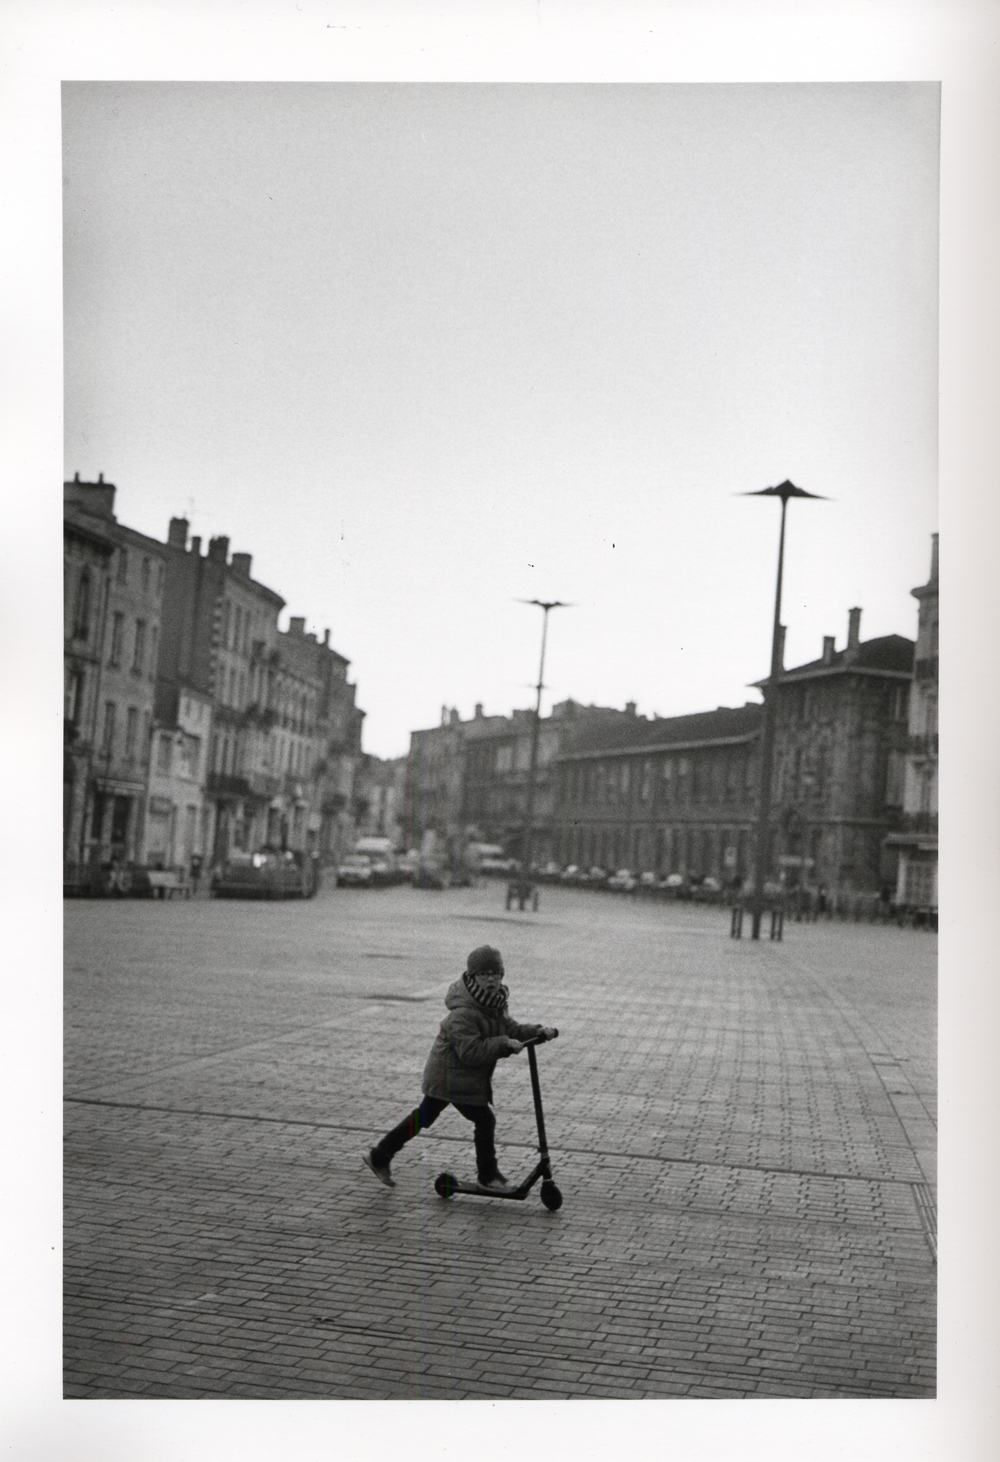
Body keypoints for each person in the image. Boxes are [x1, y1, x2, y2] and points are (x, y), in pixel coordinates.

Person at [363, 944, 557, 1191]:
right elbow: (471, 1052)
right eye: (483, 974)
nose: (490, 979)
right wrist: (503, 1044)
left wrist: (536, 1031)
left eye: (495, 973)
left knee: (424, 1116)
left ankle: (380, 1156)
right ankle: (487, 1176)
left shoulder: (494, 1004)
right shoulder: (464, 1012)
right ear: (472, 976)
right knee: (484, 1120)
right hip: (449, 1076)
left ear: (502, 976)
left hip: (457, 1077)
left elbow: (510, 1028)